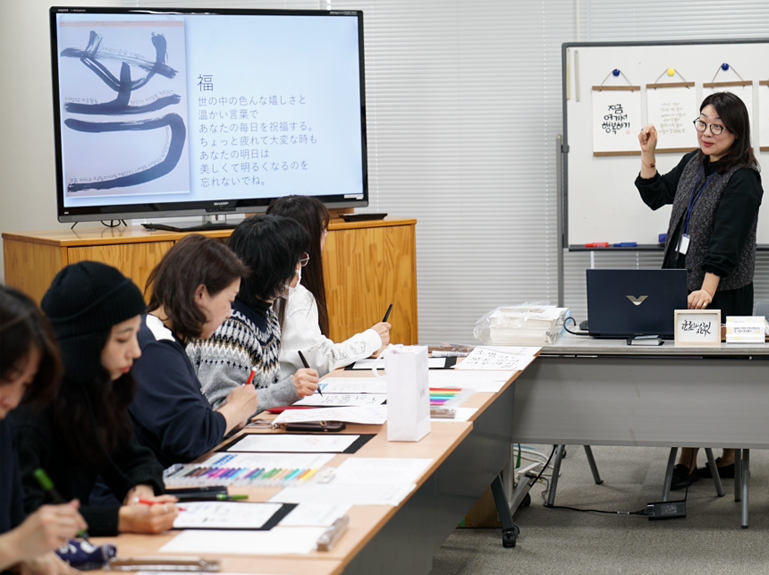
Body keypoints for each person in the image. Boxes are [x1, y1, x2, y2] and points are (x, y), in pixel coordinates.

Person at [636, 91, 763, 489]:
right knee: (687, 378)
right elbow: (657, 194)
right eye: (702, 123)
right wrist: (648, 153)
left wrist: (707, 292)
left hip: (719, 293)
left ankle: (730, 456)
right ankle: (688, 456)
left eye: (717, 127)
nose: (706, 133)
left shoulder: (743, 179)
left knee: (719, 381)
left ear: (736, 133)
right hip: (682, 283)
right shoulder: (695, 162)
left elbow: (726, 243)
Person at [11, 263, 179, 537]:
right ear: (85, 344)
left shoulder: (96, 386)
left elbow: (133, 457)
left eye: (136, 336)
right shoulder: (29, 412)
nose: (136, 351)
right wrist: (120, 519)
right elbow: (26, 514)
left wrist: (141, 491)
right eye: (123, 339)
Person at [129, 234, 258, 469]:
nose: (229, 313)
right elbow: (192, 437)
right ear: (200, 294)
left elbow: (191, 423)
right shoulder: (155, 348)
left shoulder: (161, 337)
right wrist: (235, 409)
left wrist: (223, 416)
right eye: (229, 300)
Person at [188, 215, 319, 411]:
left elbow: (263, 390)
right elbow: (220, 408)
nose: (300, 268)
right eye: (297, 260)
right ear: (274, 269)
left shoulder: (267, 316)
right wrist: (287, 390)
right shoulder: (228, 328)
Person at [0, 285, 87, 575]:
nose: (11, 399)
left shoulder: (4, 428)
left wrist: (30, 558)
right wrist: (16, 546)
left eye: (25, 384)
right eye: (7, 378)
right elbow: (12, 539)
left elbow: (11, 526)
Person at [266, 195, 390, 379]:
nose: (326, 235)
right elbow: (321, 362)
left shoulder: (263, 283)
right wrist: (371, 338)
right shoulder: (294, 295)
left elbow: (315, 352)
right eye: (323, 230)